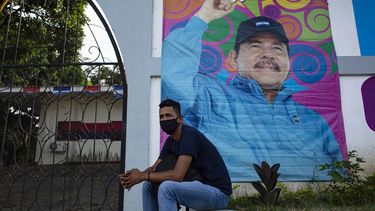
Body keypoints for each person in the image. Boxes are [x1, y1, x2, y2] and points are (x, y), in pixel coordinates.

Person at [161, 0, 343, 181]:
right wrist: (204, 17)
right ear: (233, 59)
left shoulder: (314, 121)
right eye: (256, 46)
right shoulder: (208, 95)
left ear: (289, 62)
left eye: (277, 48)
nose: (268, 54)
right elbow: (176, 80)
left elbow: (339, 174)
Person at [119, 99, 232, 211]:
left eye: (168, 115)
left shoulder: (189, 136)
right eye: (161, 117)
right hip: (198, 188)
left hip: (218, 193)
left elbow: (178, 175)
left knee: (167, 188)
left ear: (180, 119)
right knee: (148, 185)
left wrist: (142, 176)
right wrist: (135, 176)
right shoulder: (170, 141)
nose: (164, 119)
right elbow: (154, 168)